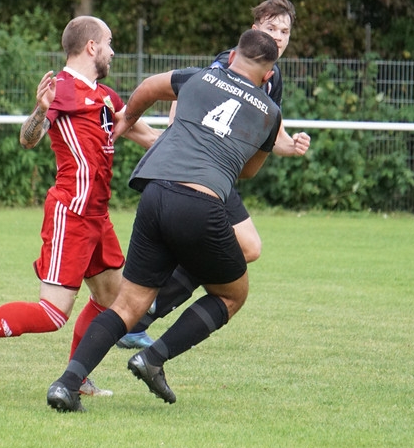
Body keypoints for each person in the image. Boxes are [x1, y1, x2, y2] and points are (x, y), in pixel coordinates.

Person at [47, 28, 283, 412]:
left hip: (156, 191)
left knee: (127, 305)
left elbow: (148, 87)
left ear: (232, 57)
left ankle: (66, 384)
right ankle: (153, 358)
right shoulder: (270, 113)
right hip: (202, 204)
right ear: (268, 75)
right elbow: (248, 170)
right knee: (232, 294)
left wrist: (128, 119)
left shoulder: (198, 77)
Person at [0, 16, 158, 396]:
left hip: (97, 216)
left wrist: (198, 145)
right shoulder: (62, 89)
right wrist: (40, 110)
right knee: (52, 314)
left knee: (111, 300)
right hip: (71, 213)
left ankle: (77, 377)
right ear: (91, 47)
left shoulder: (106, 96)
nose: (113, 51)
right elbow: (28, 138)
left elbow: (146, 135)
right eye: (109, 43)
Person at [117, 0, 310, 348]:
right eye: (271, 28)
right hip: (199, 168)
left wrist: (291, 145)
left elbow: (271, 136)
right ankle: (143, 316)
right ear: (255, 29)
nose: (279, 36)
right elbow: (193, 87)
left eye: (285, 31)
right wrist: (178, 130)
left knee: (249, 247)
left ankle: (143, 317)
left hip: (216, 172)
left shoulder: (273, 77)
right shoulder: (229, 60)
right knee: (240, 248)